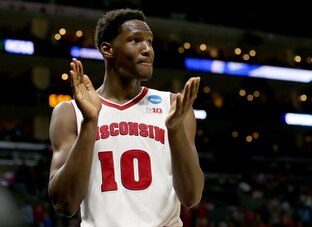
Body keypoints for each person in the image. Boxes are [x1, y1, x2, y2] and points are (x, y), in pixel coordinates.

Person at [48, 8, 205, 227]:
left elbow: (191, 196)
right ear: (107, 49)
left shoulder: (174, 107)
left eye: (150, 42)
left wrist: (175, 131)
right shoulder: (70, 112)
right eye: (135, 40)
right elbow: (64, 204)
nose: (147, 49)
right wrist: (90, 123)